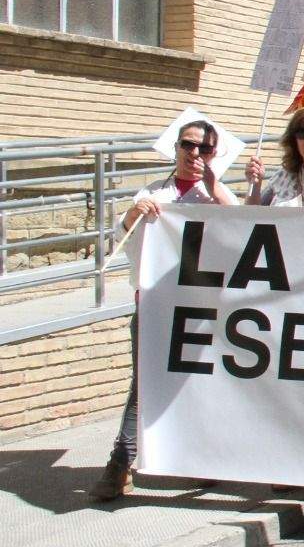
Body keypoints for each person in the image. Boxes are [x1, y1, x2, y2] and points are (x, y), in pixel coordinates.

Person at [90, 119, 241, 501]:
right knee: (144, 383)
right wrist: (132, 215)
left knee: (200, 384)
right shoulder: (154, 192)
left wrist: (215, 190)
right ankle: (121, 462)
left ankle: (201, 458)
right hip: (156, 308)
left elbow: (242, 236)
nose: (195, 154)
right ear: (175, 148)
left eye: (204, 148)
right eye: (187, 145)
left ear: (215, 154)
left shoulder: (219, 195)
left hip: (204, 311)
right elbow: (124, 240)